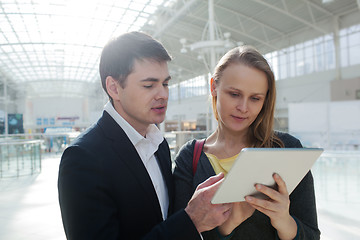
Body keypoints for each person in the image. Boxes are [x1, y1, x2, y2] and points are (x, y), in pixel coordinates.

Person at [58, 31, 232, 240]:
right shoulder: (83, 158)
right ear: (114, 88)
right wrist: (190, 221)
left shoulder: (159, 144)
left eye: (165, 83)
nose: (163, 94)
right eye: (149, 85)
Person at [173, 46, 320, 240]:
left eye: (255, 98)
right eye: (234, 94)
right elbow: (178, 234)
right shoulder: (190, 157)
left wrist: (284, 221)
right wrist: (229, 224)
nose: (243, 108)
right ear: (213, 87)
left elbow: (312, 235)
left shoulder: (285, 149)